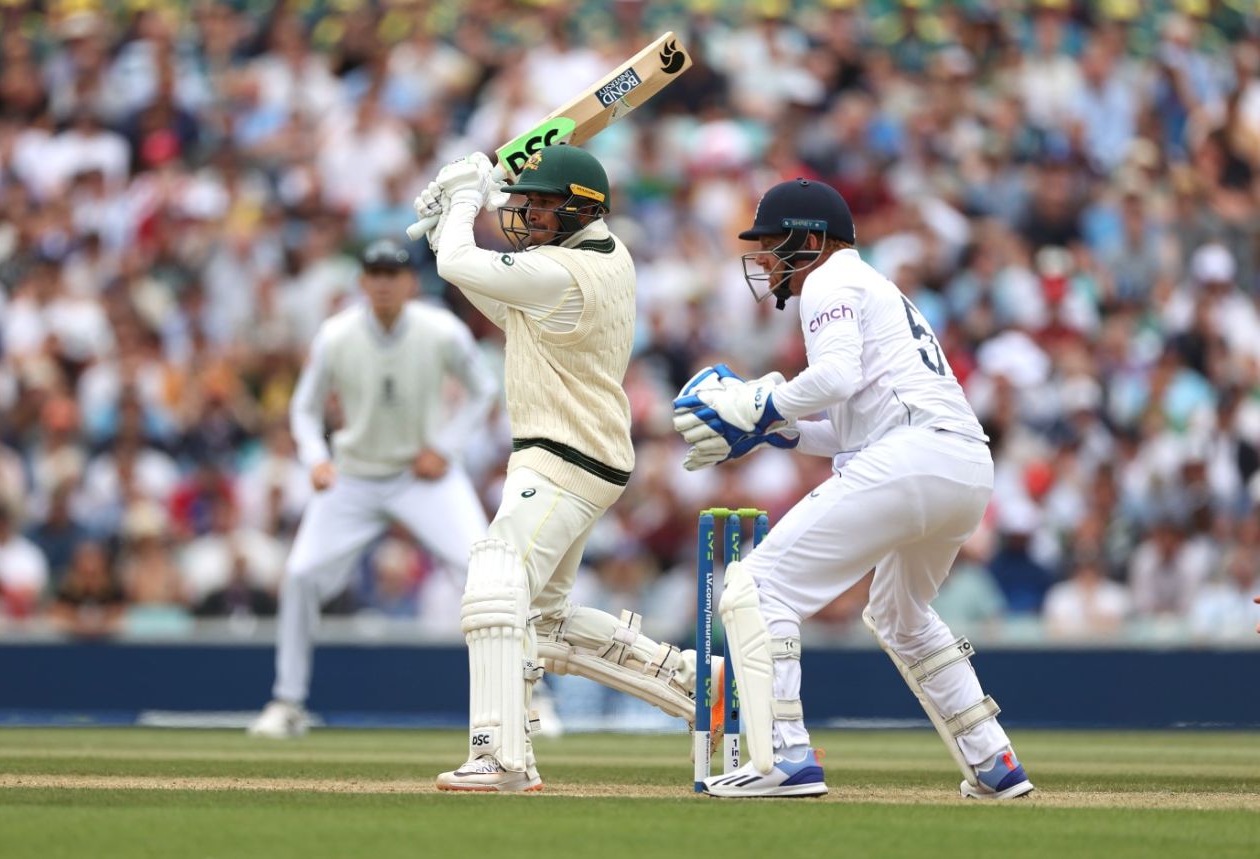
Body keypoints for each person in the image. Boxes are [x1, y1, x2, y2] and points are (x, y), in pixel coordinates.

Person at [672, 178, 1033, 799]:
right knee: (900, 613)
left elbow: (836, 376)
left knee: (758, 588)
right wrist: (776, 432)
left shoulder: (830, 280)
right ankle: (994, 761)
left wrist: (760, 403)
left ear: (811, 241)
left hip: (912, 457)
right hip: (963, 465)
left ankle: (785, 758)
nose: (765, 260)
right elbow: (847, 428)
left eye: (774, 244)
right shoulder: (874, 288)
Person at [416, 146, 718, 792]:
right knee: (543, 623)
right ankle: (699, 684)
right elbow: (487, 290)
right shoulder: (594, 257)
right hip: (581, 453)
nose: (525, 216)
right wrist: (450, 218)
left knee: (496, 580)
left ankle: (498, 755)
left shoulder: (565, 271)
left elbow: (458, 263)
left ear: (581, 207)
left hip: (562, 454)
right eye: (523, 204)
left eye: (540, 205)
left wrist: (465, 197)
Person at [247, 240, 497, 738]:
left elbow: (484, 388)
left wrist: (446, 448)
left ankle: (528, 703)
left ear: (410, 283)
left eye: (393, 274)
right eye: (374, 273)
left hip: (423, 475)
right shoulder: (336, 335)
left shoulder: (440, 330)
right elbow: (304, 408)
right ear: (362, 282)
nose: (383, 283)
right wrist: (315, 459)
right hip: (354, 476)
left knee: (487, 576)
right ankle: (288, 702)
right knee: (299, 575)